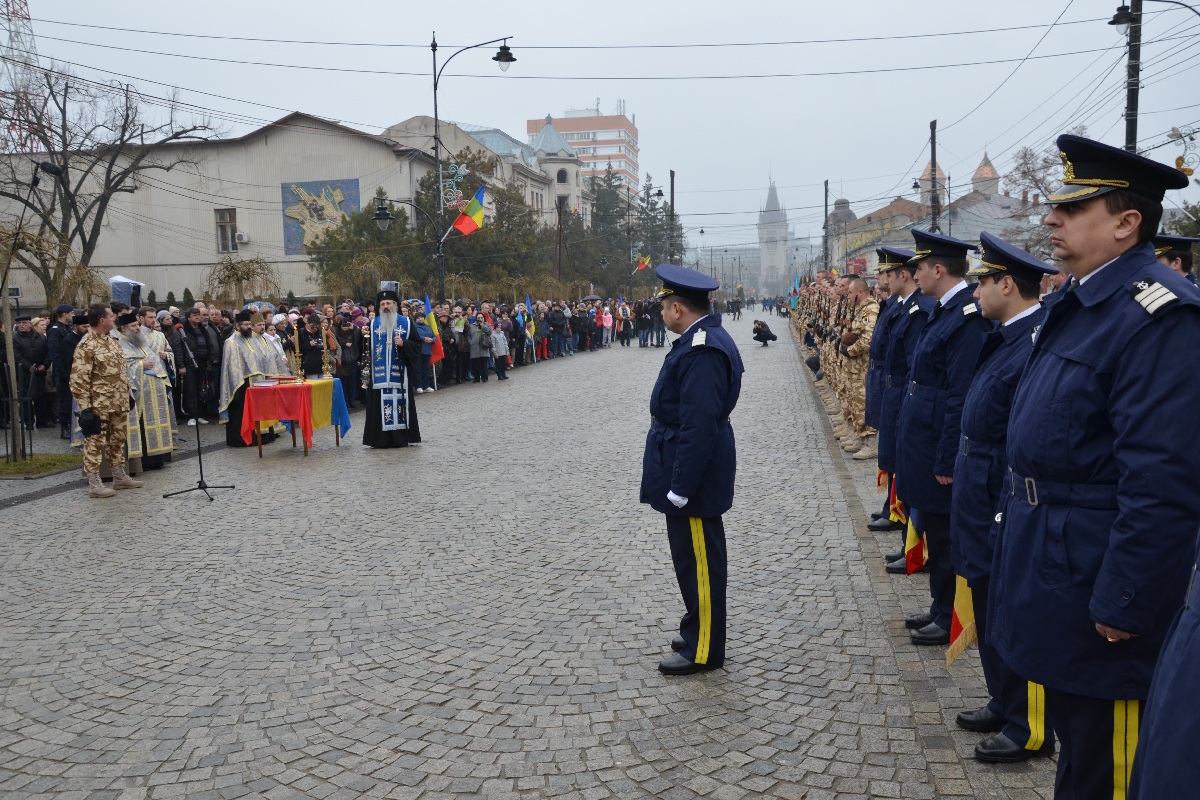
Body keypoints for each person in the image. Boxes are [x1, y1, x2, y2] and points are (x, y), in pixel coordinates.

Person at [989, 134, 1200, 799]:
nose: (1050, 219)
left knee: (1111, 763)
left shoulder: (1156, 317)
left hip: (1097, 583)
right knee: (1078, 754)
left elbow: (1163, 480)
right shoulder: (1077, 304)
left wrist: (1126, 598)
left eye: (1071, 208)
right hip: (1053, 564)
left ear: (1126, 222)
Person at [950, 232, 1058, 764]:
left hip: (1002, 489)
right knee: (989, 598)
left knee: (1013, 606)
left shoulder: (1034, 342)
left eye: (982, 283)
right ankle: (1004, 698)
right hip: (979, 483)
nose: (974, 294)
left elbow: (1026, 438)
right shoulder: (1006, 336)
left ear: (1006, 285)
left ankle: (1030, 725)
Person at [640, 264, 744, 676]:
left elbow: (698, 424)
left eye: (664, 306)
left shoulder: (702, 349)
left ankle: (705, 649)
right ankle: (696, 626)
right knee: (690, 559)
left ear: (678, 308)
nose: (662, 313)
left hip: (695, 478)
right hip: (686, 469)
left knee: (700, 561)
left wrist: (682, 484)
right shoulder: (698, 340)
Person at [896, 229, 991, 647]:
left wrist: (947, 457)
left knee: (947, 536)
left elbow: (959, 395)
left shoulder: (965, 317)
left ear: (938, 269)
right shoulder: (942, 310)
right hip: (923, 439)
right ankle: (939, 606)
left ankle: (950, 614)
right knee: (935, 530)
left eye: (918, 267)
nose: (914, 273)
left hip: (940, 443)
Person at [69, 304, 144, 498]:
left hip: (118, 401)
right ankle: (94, 483)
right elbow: (78, 379)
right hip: (98, 404)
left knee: (117, 439)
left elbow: (121, 371)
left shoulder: (113, 341)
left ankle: (119, 476)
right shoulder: (87, 345)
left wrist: (127, 394)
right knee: (95, 442)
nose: (114, 319)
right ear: (102, 320)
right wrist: (85, 409)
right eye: (111, 316)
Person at [113, 311, 176, 470]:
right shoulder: (119, 344)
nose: (137, 328)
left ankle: (157, 458)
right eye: (134, 326)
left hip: (153, 391)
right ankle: (144, 462)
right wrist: (141, 365)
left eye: (137, 325)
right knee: (141, 427)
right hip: (138, 395)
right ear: (123, 328)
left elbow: (155, 361)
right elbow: (120, 369)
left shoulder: (140, 342)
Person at [363, 283, 421, 448]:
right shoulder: (373, 324)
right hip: (378, 376)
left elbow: (417, 345)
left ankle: (400, 438)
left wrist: (404, 344)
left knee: (400, 405)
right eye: (383, 304)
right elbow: (365, 349)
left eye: (388, 303)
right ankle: (379, 440)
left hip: (400, 375)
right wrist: (362, 338)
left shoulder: (406, 323)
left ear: (395, 305)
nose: (386, 307)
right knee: (378, 407)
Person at [218, 311, 266, 448]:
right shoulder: (231, 342)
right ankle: (240, 440)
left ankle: (255, 438)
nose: (249, 327)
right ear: (237, 326)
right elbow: (232, 367)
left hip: (255, 382)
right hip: (241, 384)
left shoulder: (251, 339)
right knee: (240, 412)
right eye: (246, 325)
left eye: (250, 324)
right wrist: (239, 384)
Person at [13, 314, 51, 429]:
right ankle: (28, 422)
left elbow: (48, 352)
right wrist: (28, 366)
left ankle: (42, 421)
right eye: (19, 323)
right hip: (24, 373)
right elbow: (16, 355)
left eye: (24, 323)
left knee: (40, 397)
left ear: (30, 323)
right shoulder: (15, 338)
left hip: (39, 372)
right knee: (26, 398)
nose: (21, 325)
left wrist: (45, 365)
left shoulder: (41, 337)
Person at [46, 303, 74, 438]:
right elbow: (54, 352)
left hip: (71, 370)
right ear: (64, 314)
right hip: (62, 371)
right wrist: (62, 371)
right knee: (64, 400)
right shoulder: (55, 330)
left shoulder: (67, 328)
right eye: (71, 313)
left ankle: (71, 424)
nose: (73, 315)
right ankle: (65, 427)